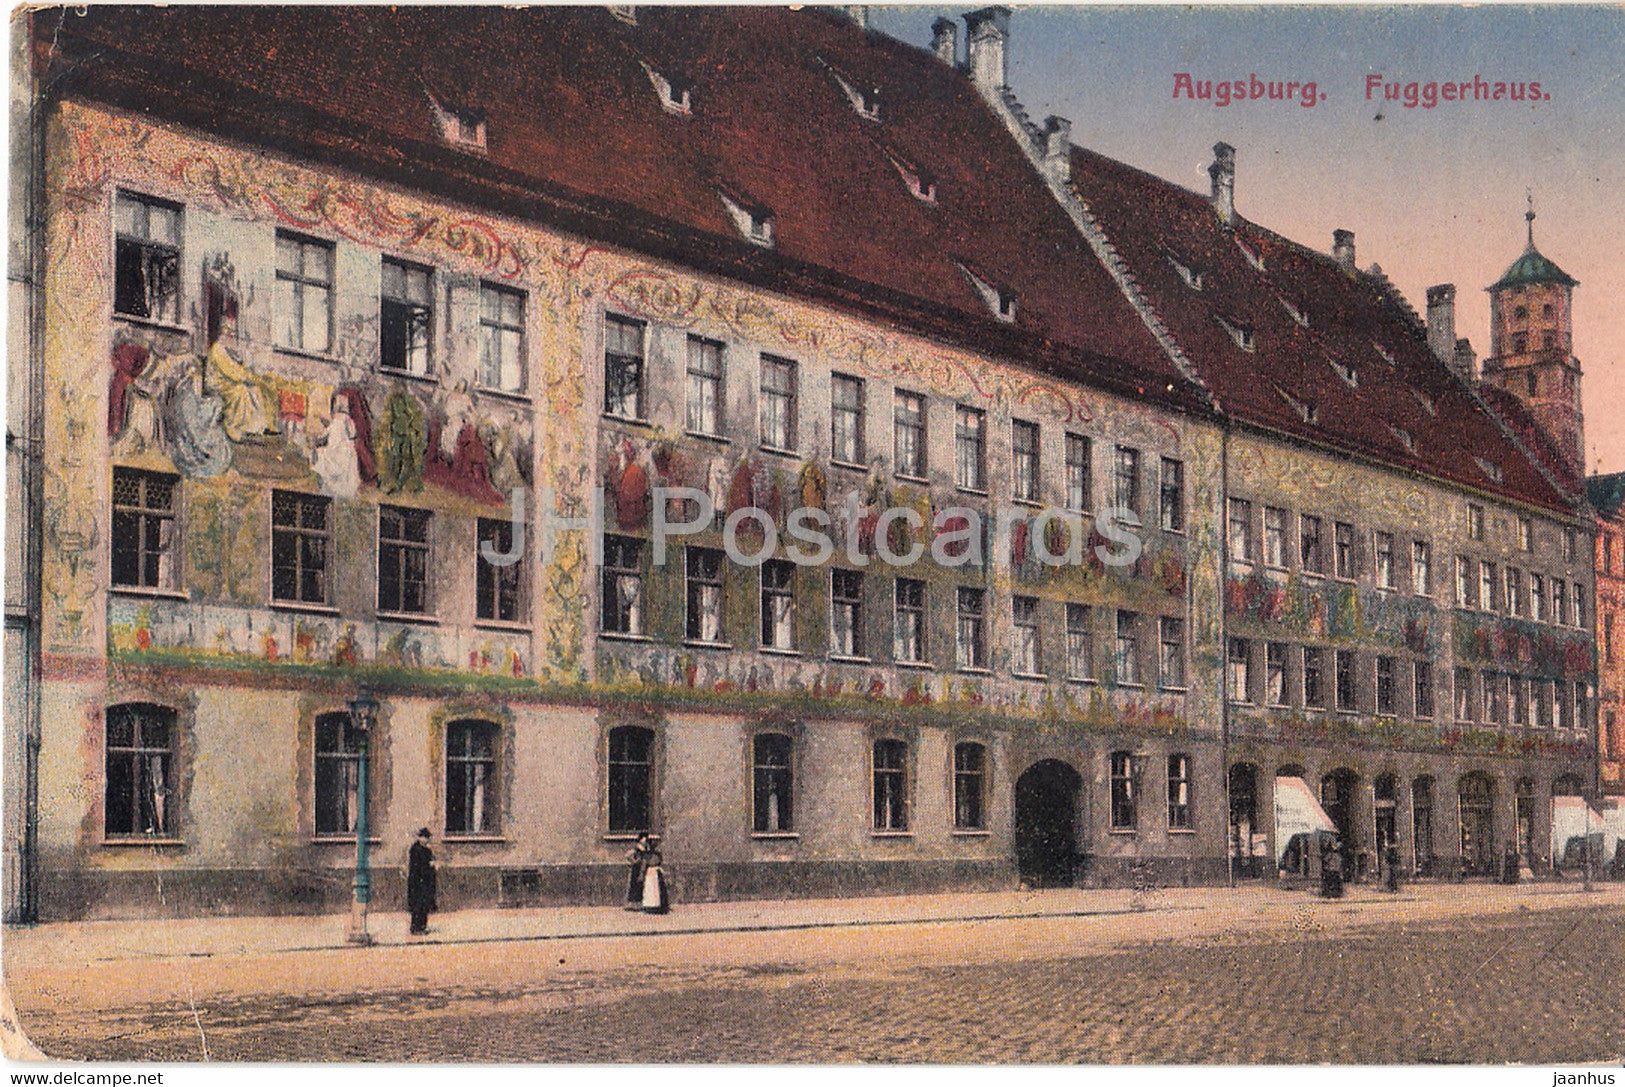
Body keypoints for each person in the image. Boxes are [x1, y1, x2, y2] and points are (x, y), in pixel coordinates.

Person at [407, 827, 437, 935]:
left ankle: (422, 927)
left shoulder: (427, 851)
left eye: (428, 838)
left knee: (424, 906)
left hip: (425, 882)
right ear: (420, 838)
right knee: (417, 905)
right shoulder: (416, 850)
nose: (427, 840)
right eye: (425, 838)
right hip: (417, 882)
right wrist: (430, 866)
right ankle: (416, 928)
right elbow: (418, 867)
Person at [641, 832, 670, 914]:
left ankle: (657, 906)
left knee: (656, 889)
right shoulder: (648, 855)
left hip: (655, 873)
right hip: (650, 873)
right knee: (650, 888)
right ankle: (650, 906)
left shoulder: (656, 854)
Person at [624, 833, 651, 911]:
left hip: (642, 868)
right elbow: (628, 855)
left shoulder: (646, 848)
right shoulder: (637, 848)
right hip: (636, 869)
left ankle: (639, 904)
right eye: (644, 838)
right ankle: (632, 904)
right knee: (634, 885)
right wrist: (634, 861)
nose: (645, 840)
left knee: (640, 885)